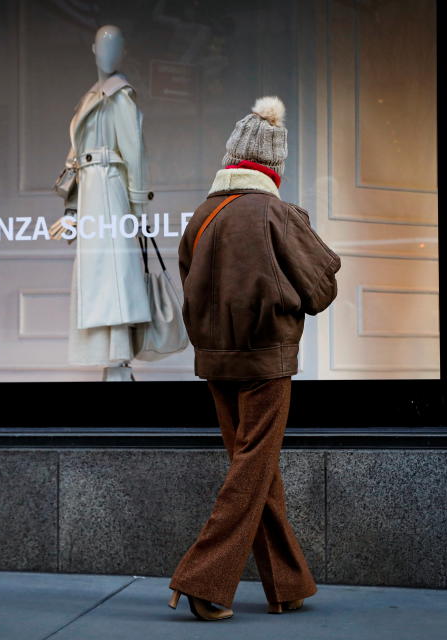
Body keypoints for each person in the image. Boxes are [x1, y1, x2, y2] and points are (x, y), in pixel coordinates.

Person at [167, 96, 341, 621]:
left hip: (215, 362)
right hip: (268, 360)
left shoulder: (202, 216)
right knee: (251, 471)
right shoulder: (276, 213)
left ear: (231, 161)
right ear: (273, 166)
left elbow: (189, 285)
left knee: (254, 470)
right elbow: (320, 287)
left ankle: (288, 585)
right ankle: (201, 580)